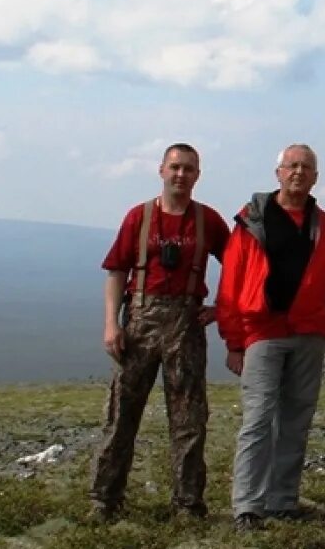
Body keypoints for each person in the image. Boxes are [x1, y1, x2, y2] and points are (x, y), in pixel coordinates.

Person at [91, 143, 230, 520]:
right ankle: (104, 499)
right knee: (121, 414)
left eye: (188, 169)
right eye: (175, 167)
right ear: (161, 170)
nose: (180, 175)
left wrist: (222, 306)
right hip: (138, 322)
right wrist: (110, 324)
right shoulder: (139, 217)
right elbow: (117, 270)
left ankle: (188, 504)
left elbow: (237, 262)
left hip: (186, 324)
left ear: (198, 175)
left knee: (189, 418)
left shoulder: (208, 221)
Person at [219, 144, 325, 532]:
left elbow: (313, 273)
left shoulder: (321, 221)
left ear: (315, 177)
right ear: (278, 173)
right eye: (292, 166)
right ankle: (247, 506)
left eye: (306, 167)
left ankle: (283, 500)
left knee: (296, 419)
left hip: (308, 331)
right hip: (262, 332)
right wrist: (234, 341)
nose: (298, 172)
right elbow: (232, 282)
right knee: (258, 419)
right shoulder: (251, 218)